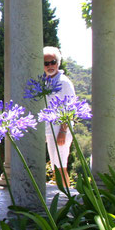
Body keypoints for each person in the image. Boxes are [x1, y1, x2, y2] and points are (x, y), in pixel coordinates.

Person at [43, 46, 75, 188]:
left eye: (53, 62)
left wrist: (63, 131)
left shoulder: (64, 82)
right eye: (46, 63)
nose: (50, 66)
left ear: (58, 62)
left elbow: (70, 108)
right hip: (51, 130)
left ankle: (66, 196)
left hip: (61, 130)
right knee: (56, 166)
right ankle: (61, 193)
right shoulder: (46, 81)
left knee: (61, 166)